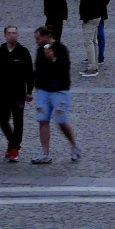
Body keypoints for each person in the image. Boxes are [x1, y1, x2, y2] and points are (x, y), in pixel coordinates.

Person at [30, 26, 80, 164]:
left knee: (61, 121)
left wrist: (53, 59)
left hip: (60, 90)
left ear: (46, 37)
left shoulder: (61, 48)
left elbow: (65, 68)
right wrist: (36, 87)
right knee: (43, 120)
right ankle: (45, 153)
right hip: (44, 90)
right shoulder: (40, 50)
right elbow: (38, 68)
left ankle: (74, 145)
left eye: (38, 38)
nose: (36, 41)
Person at [0, 26, 34, 162]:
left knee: (18, 121)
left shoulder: (23, 52)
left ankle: (14, 149)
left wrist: (29, 91)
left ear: (18, 35)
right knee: (2, 119)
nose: (12, 35)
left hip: (19, 93)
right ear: (5, 35)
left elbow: (29, 73)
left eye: (14, 33)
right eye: (9, 33)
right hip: (3, 92)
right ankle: (11, 139)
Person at [77, 0, 110, 78]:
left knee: (89, 42)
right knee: (94, 41)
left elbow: (86, 4)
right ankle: (94, 65)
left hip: (90, 18)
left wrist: (85, 17)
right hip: (97, 17)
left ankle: (91, 68)